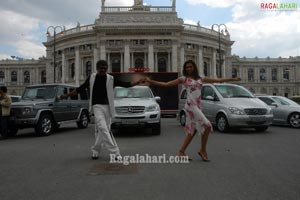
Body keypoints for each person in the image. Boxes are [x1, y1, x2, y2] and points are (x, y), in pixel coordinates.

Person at [144, 60, 241, 161]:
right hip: (191, 106)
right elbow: (166, 84)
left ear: (194, 67)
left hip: (197, 106)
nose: (189, 69)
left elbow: (218, 80)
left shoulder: (201, 78)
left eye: (190, 67)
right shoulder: (183, 79)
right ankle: (203, 150)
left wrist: (232, 78)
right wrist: (150, 81)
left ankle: (181, 152)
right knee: (207, 126)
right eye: (187, 67)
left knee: (192, 130)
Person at [60, 60, 141, 160]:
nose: (103, 70)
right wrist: (66, 95)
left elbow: (125, 84)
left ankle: (95, 150)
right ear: (97, 68)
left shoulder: (111, 78)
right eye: (101, 68)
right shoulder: (92, 78)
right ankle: (116, 152)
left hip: (108, 107)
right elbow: (80, 89)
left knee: (102, 131)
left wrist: (137, 82)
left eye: (105, 68)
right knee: (103, 128)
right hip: (97, 106)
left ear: (107, 68)